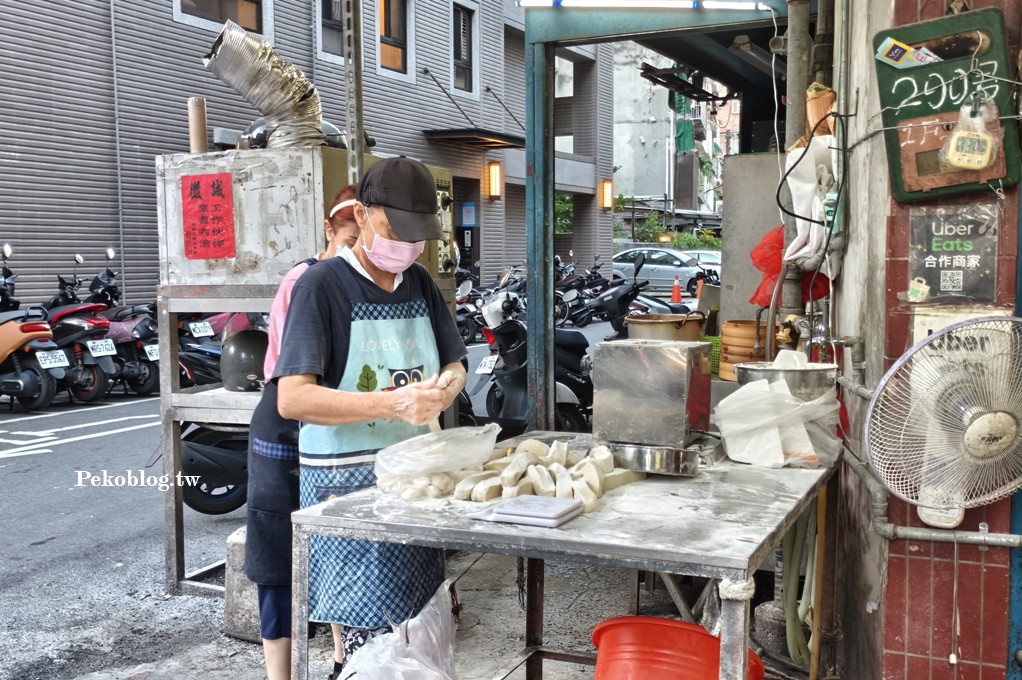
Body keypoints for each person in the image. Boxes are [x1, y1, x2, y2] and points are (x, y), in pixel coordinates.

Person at [275, 157, 467, 675]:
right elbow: (293, 399)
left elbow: (456, 363)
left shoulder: (419, 282)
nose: (407, 246)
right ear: (361, 215)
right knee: (368, 640)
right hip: (347, 488)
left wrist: (445, 390)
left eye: (418, 236)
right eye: (396, 231)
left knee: (418, 621)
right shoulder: (321, 286)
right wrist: (391, 403)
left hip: (416, 483)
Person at [243, 185, 359, 680]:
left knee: (339, 546)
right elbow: (297, 384)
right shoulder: (305, 281)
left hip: (337, 426)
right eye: (350, 240)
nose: (358, 253)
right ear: (329, 230)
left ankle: (341, 660)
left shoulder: (368, 283)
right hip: (285, 430)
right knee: (277, 561)